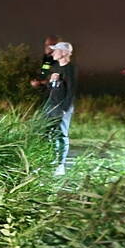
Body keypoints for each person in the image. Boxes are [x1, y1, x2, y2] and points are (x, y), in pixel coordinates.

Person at [42, 41, 76, 176]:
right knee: (43, 132)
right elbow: (53, 88)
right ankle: (47, 160)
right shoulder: (56, 67)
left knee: (60, 134)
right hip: (50, 105)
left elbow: (71, 91)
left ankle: (60, 165)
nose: (53, 53)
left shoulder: (70, 69)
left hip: (61, 107)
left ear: (64, 52)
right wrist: (51, 82)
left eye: (56, 50)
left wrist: (65, 108)